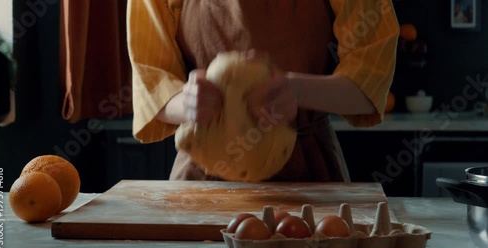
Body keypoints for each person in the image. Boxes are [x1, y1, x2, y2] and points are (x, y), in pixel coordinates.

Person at [126, 0, 400, 182]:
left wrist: (296, 90)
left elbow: (369, 83)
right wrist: (186, 102)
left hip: (308, 174)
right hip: (203, 176)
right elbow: (151, 81)